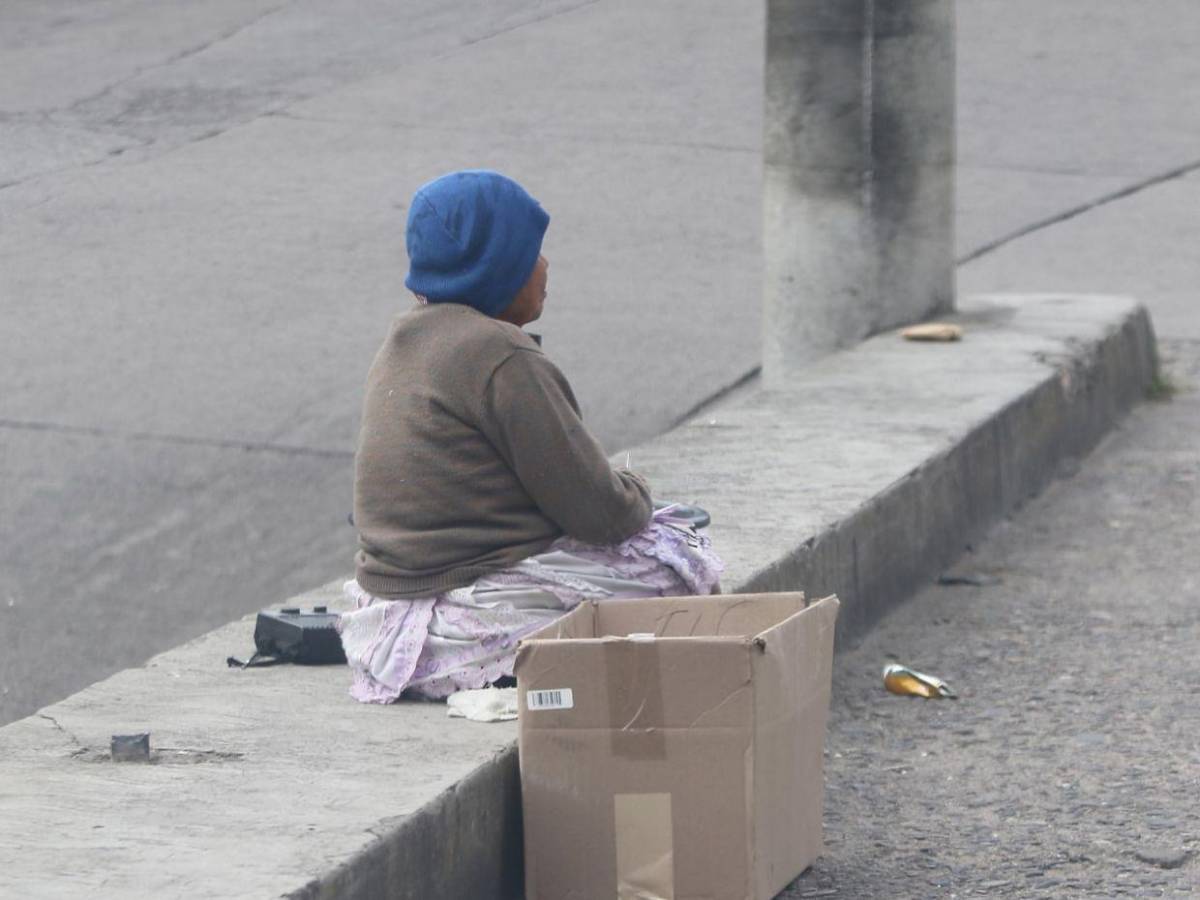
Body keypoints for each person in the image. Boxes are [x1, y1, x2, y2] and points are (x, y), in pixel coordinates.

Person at [338, 170, 722, 703]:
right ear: (498, 267)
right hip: (462, 622)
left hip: (385, 622)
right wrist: (636, 488)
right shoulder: (500, 355)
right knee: (680, 562)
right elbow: (603, 514)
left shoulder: (404, 340)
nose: (545, 266)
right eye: (532, 253)